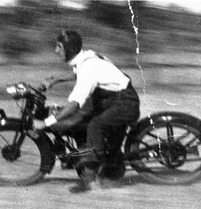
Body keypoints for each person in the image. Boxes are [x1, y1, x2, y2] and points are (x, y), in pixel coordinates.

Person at [33, 30, 140, 192]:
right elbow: (77, 70)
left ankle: (90, 176)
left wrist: (45, 123)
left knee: (95, 126)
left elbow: (74, 104)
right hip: (112, 99)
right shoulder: (86, 57)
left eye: (59, 47)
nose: (56, 50)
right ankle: (103, 162)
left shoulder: (88, 67)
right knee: (83, 123)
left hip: (124, 102)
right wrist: (57, 79)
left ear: (68, 49)